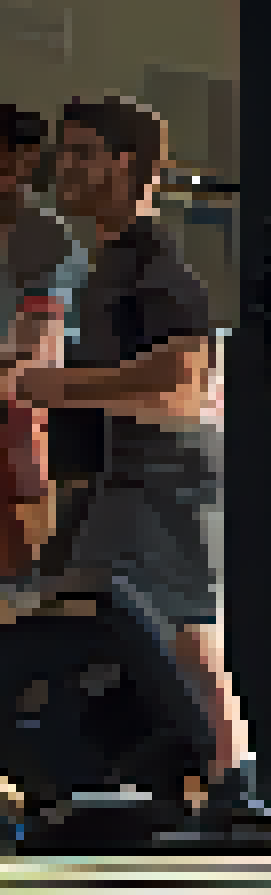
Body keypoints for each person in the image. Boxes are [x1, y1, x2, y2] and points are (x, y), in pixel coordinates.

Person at [14, 95, 271, 838]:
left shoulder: (156, 267)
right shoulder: (103, 265)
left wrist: (62, 387)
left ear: (124, 165)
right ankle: (224, 780)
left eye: (82, 154)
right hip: (123, 480)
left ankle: (214, 780)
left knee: (92, 615)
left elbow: (186, 376)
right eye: (63, 153)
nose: (64, 168)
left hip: (157, 477)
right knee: (181, 632)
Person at [0, 105, 85, 577]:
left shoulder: (45, 239)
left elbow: (34, 356)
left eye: (14, 164)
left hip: (23, 421)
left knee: (17, 573)